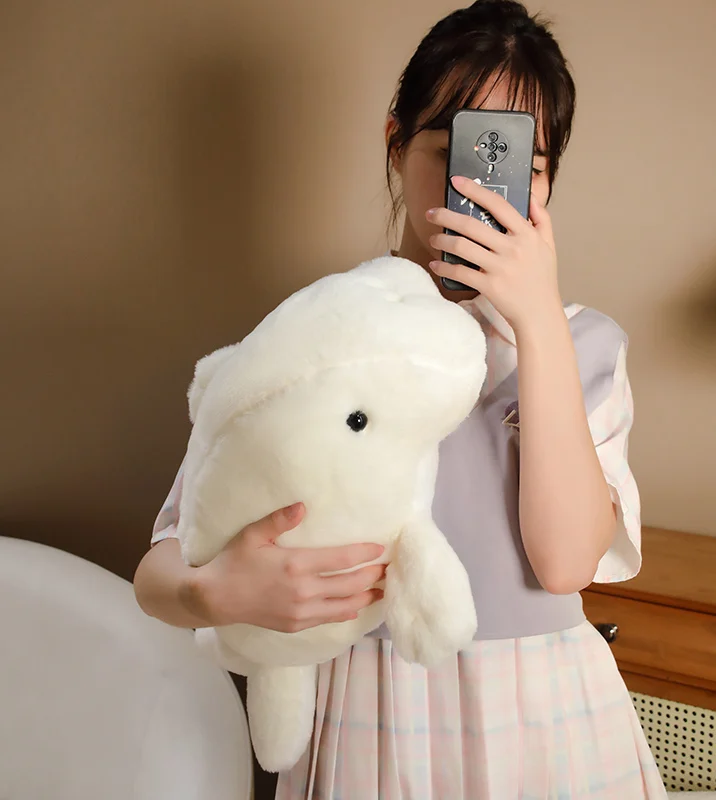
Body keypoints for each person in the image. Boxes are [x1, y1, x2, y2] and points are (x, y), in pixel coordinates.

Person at [133, 1, 668, 797]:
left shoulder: (584, 346)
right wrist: (215, 591)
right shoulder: (319, 331)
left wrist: (536, 323)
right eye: (453, 150)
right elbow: (160, 567)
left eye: (522, 163)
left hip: (547, 727)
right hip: (366, 721)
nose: (479, 189)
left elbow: (564, 564)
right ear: (396, 142)